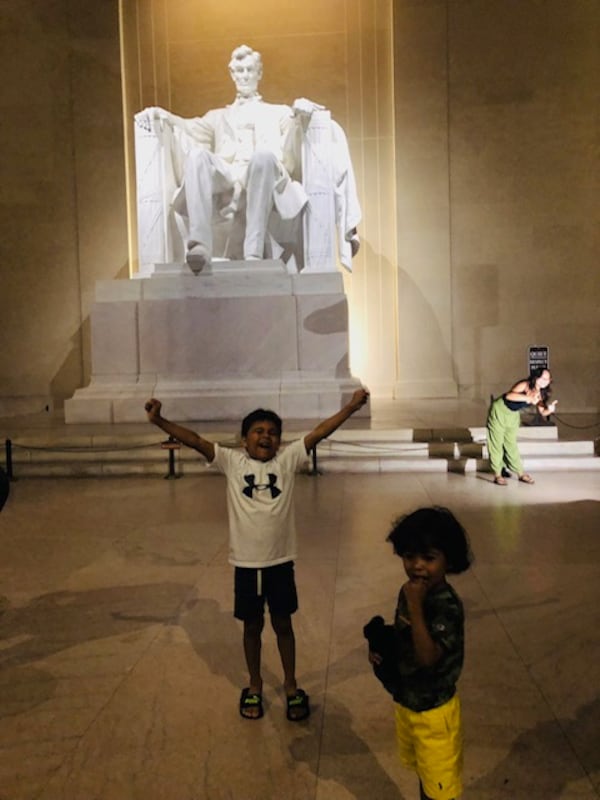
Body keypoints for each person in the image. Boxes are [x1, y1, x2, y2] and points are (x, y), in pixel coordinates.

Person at [145, 388, 369, 720]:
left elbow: (321, 431)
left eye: (272, 433)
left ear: (280, 441)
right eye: (258, 432)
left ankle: (291, 686)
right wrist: (159, 420)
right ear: (244, 439)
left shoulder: (288, 459)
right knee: (252, 627)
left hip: (280, 563)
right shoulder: (231, 462)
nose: (266, 437)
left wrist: (351, 407)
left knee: (283, 625)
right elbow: (194, 440)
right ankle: (254, 685)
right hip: (247, 566)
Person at [135, 44, 361, 273]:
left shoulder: (277, 112)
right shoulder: (218, 116)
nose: (244, 76)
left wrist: (301, 111)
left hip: (265, 174)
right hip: (229, 175)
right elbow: (188, 127)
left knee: (262, 157)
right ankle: (199, 246)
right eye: (239, 71)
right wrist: (164, 116)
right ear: (232, 75)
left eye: (249, 70)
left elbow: (294, 133)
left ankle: (253, 252)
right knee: (196, 156)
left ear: (259, 73)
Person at [368, 507, 473, 800]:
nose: (417, 566)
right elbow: (406, 636)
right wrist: (382, 649)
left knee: (440, 790)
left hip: (435, 713)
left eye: (429, 558)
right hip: (409, 703)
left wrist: (415, 606)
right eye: (409, 557)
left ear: (448, 559)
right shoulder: (410, 591)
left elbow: (428, 658)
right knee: (425, 776)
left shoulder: (445, 605)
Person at [487, 367, 557, 485]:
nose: (544, 381)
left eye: (547, 379)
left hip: (513, 415)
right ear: (536, 377)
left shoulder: (542, 394)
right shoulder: (525, 385)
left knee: (511, 443)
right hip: (500, 410)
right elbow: (509, 396)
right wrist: (528, 398)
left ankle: (520, 473)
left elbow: (543, 412)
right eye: (542, 378)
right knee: (496, 442)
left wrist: (549, 410)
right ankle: (498, 474)